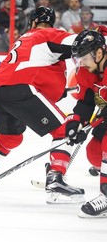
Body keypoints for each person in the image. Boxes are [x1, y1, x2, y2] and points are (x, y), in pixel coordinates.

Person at [0, 6, 86, 204]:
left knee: (10, 138)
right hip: (21, 90)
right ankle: (56, 181)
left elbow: (38, 70)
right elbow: (83, 42)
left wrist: (56, 90)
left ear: (33, 22)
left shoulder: (25, 39)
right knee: (65, 130)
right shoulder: (48, 33)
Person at [68, 29, 107, 218]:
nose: (81, 63)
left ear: (99, 53)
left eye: (83, 57)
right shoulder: (86, 72)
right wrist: (77, 123)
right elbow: (86, 102)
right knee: (94, 154)